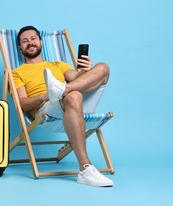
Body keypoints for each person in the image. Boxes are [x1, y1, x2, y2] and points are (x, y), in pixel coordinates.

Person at [11, 25, 113, 187]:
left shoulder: (59, 64)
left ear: (40, 42)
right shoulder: (17, 72)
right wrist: (45, 95)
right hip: (48, 108)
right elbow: (22, 103)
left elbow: (76, 78)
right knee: (73, 96)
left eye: (33, 39)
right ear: (20, 48)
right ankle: (85, 169)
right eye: (24, 41)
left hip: (73, 99)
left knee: (103, 68)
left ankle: (61, 89)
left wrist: (85, 71)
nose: (30, 43)